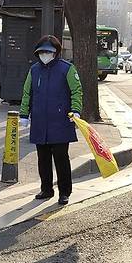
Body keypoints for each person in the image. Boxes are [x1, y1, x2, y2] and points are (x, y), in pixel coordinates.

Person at [19, 35, 83, 207]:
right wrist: (24, 114)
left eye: (48, 52)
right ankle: (46, 189)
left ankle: (64, 192)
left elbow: (76, 91)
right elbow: (27, 93)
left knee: (61, 159)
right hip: (40, 121)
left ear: (56, 52)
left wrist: (76, 110)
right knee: (43, 158)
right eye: (42, 52)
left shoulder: (67, 69)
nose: (45, 55)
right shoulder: (34, 70)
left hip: (61, 121)